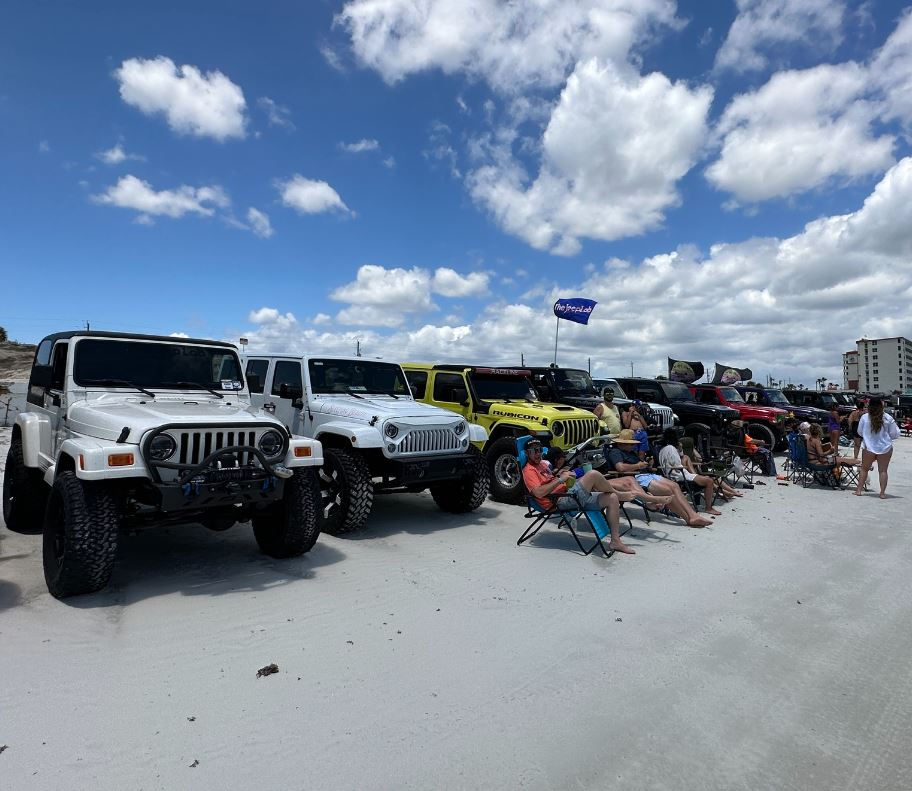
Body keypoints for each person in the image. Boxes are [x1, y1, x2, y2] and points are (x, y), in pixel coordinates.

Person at [521, 439, 638, 554]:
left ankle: (615, 541)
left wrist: (564, 475)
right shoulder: (529, 471)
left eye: (539, 450)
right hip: (559, 502)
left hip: (568, 494)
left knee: (612, 498)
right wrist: (560, 479)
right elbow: (539, 493)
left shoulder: (542, 464)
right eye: (533, 451)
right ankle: (620, 494)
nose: (538, 453)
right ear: (526, 453)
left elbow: (551, 479)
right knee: (592, 475)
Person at [605, 430, 714, 527]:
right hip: (636, 478)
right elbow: (620, 467)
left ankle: (693, 515)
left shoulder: (630, 452)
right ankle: (688, 519)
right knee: (667, 491)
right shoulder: (615, 452)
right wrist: (638, 466)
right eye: (630, 444)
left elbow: (636, 464)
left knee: (674, 486)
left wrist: (647, 464)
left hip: (646, 474)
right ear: (621, 443)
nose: (633, 446)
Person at [657, 428, 722, 516]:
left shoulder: (662, 450)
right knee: (709, 481)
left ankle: (705, 503)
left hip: (671, 475)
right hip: (679, 475)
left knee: (706, 479)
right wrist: (685, 466)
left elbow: (680, 457)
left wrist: (680, 449)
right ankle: (708, 508)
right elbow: (676, 463)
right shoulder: (671, 449)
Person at [855, 397, 900, 498]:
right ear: (881, 405)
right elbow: (895, 434)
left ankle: (859, 490)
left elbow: (859, 432)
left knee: (864, 469)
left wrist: (868, 436)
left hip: (869, 447)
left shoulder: (865, 417)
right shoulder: (888, 418)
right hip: (885, 448)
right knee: (883, 471)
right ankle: (882, 493)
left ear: (869, 405)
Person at [680, 434, 743, 500]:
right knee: (710, 480)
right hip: (693, 475)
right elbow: (685, 467)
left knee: (715, 477)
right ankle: (725, 492)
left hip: (699, 471)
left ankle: (732, 491)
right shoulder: (682, 456)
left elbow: (700, 459)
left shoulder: (691, 453)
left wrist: (693, 450)